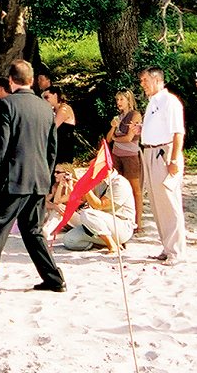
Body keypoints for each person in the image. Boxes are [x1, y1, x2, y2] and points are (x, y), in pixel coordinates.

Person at [0, 61, 66, 303]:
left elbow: (2, 145)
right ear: (31, 81)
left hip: (15, 178)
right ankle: (54, 278)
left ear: (11, 81)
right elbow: (53, 148)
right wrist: (48, 176)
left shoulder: (6, 105)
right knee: (32, 231)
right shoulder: (45, 108)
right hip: (39, 177)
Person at [138, 66, 187, 264]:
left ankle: (177, 251)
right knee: (158, 204)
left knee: (169, 201)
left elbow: (178, 133)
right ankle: (167, 247)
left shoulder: (169, 101)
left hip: (163, 154)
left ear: (157, 80)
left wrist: (174, 159)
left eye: (145, 80)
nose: (142, 85)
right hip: (149, 152)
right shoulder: (152, 103)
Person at [60, 169, 136, 252]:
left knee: (87, 213)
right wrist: (72, 187)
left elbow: (99, 206)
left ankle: (112, 245)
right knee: (69, 240)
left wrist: (85, 188)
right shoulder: (98, 181)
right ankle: (106, 244)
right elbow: (79, 201)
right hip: (99, 224)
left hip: (121, 226)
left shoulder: (120, 183)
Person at [105, 90, 144, 231]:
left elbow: (128, 138)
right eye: (117, 100)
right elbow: (108, 138)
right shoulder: (118, 117)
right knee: (117, 187)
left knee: (135, 189)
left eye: (121, 99)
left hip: (130, 155)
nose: (119, 102)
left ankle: (138, 223)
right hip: (117, 155)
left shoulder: (134, 115)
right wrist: (113, 127)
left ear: (129, 100)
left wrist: (115, 138)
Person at [43, 86, 75, 164]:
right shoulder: (55, 110)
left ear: (55, 96)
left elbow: (52, 127)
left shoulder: (64, 109)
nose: (44, 101)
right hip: (56, 147)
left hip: (64, 148)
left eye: (47, 97)